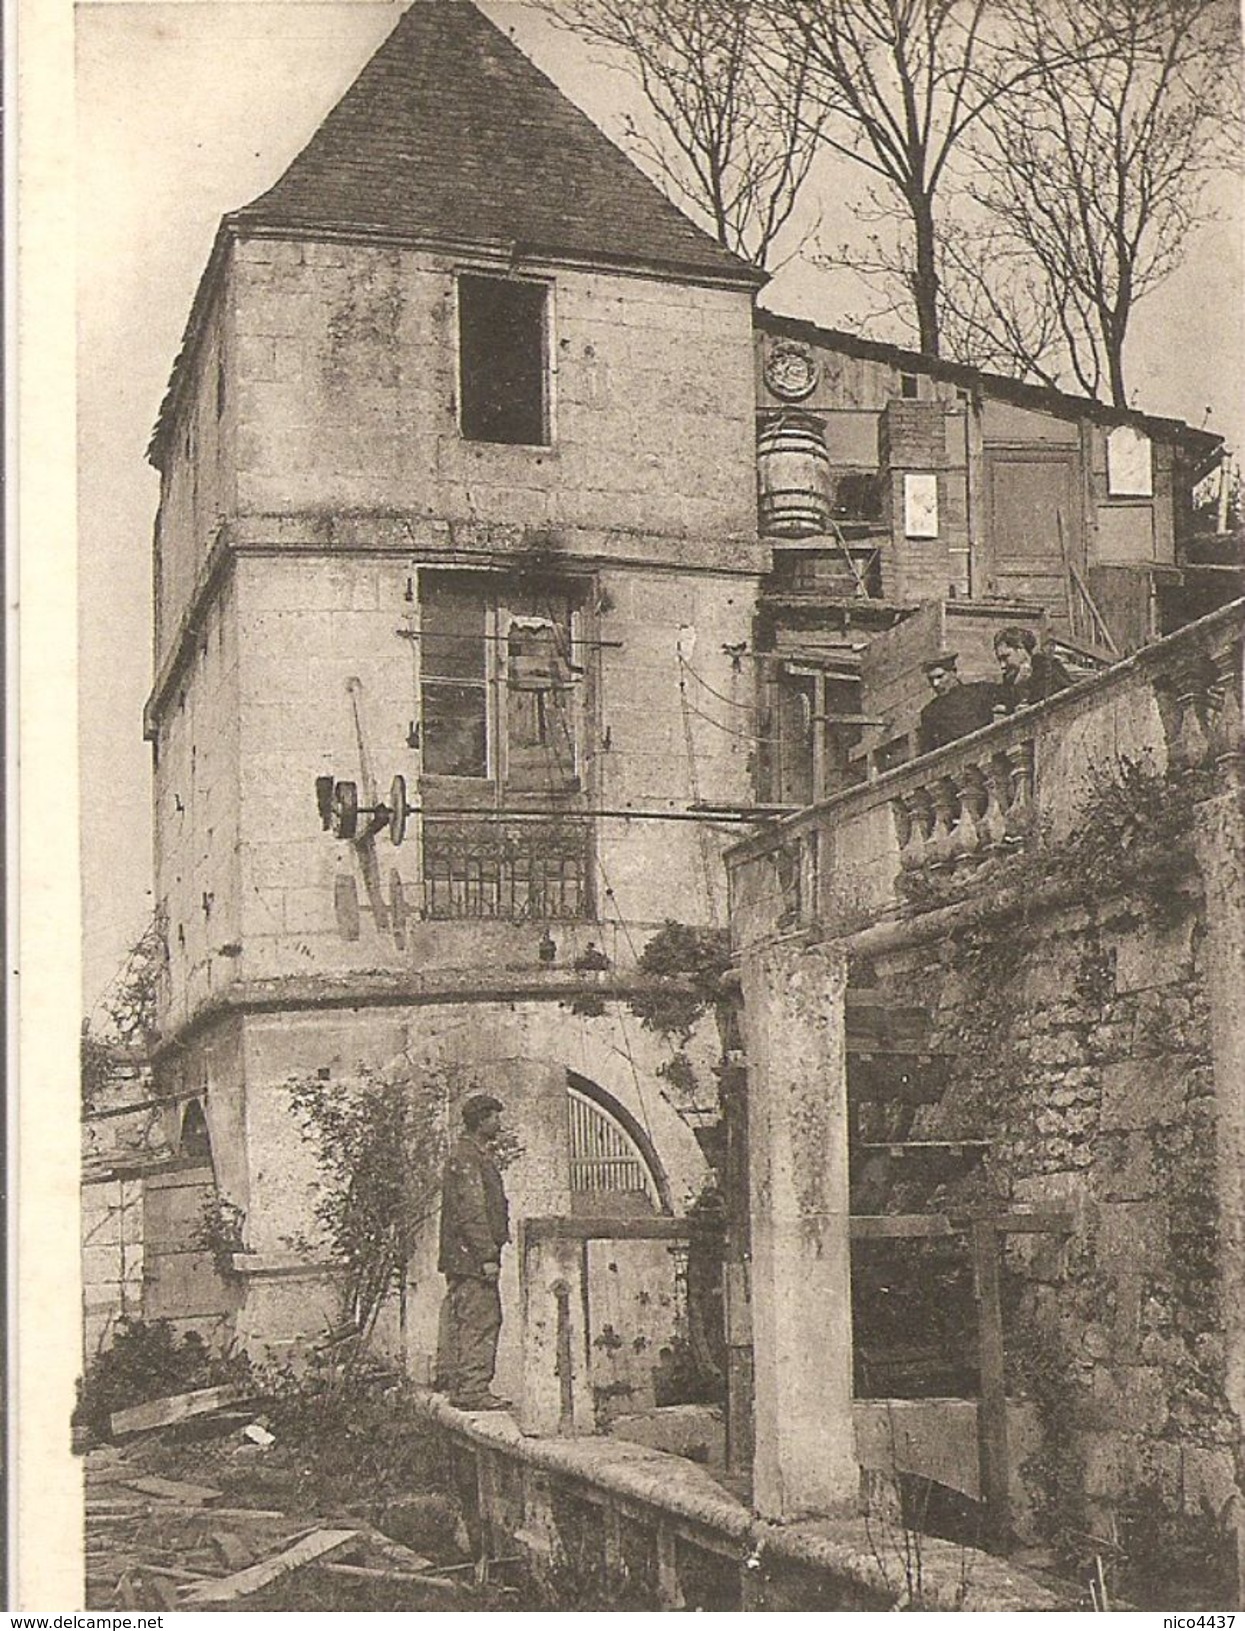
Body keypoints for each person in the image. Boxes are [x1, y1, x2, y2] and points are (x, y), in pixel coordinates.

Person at [436, 1093, 512, 1411]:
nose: (499, 1122)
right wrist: (487, 1256)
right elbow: (472, 1211)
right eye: (494, 1116)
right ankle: (472, 1389)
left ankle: (459, 1384)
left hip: (464, 1256)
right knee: (481, 1318)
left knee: (464, 1317)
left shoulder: (471, 1154)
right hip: (471, 1257)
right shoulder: (468, 1157)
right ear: (481, 1120)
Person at [916, 652, 999, 755]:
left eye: (940, 677)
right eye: (931, 679)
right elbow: (928, 752)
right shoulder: (930, 712)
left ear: (953, 672)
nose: (935, 684)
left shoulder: (980, 691)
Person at [993, 627, 1072, 712]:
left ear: (1021, 650)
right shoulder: (1010, 679)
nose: (1002, 665)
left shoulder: (1049, 668)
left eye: (1005, 657)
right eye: (999, 660)